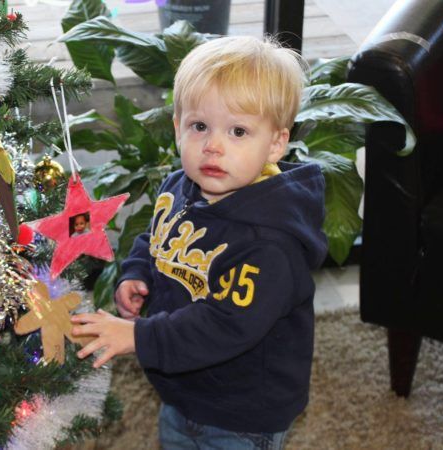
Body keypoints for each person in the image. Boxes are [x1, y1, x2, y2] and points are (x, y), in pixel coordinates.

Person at [71, 35, 327, 449]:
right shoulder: (182, 186)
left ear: (276, 143)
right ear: (177, 127)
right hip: (183, 383)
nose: (214, 145)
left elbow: (225, 323)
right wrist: (137, 274)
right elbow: (155, 236)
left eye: (239, 130)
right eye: (199, 126)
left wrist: (138, 337)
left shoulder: (270, 241)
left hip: (244, 409)